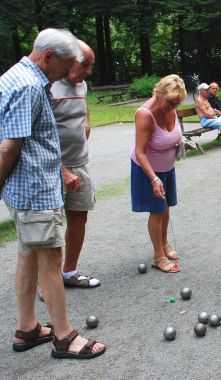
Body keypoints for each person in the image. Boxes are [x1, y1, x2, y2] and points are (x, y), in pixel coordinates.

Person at [0, 28, 105, 359]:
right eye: (65, 66)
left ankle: (27, 328)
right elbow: (8, 148)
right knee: (50, 258)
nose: (67, 74)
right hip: (34, 189)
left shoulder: (14, 76)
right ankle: (64, 337)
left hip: (26, 189)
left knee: (28, 254)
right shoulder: (30, 85)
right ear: (48, 57)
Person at [51, 40, 99, 288]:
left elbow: (84, 108)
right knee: (51, 225)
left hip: (80, 163)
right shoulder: (48, 85)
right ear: (68, 60)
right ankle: (47, 279)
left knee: (79, 217)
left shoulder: (82, 86)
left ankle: (69, 272)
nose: (88, 71)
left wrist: (87, 121)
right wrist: (62, 170)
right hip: (52, 167)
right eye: (86, 65)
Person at [130, 74, 186, 273]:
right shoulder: (145, 114)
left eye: (177, 104)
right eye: (171, 103)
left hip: (166, 167)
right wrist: (153, 178)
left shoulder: (170, 106)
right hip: (147, 169)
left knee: (166, 206)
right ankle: (158, 257)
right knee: (156, 210)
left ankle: (164, 243)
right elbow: (140, 151)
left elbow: (171, 133)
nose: (174, 108)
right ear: (159, 94)